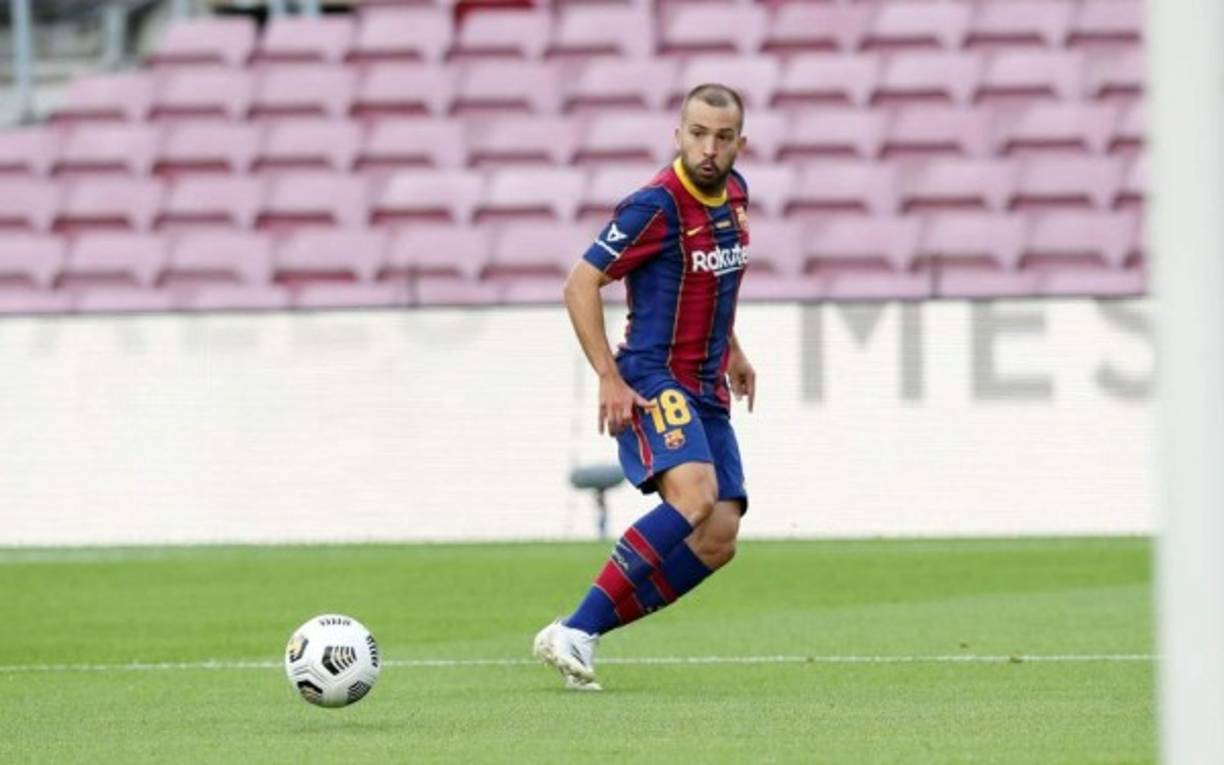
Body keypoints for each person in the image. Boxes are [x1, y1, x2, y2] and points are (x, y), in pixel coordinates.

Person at [533, 83, 757, 691]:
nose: (709, 148)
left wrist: (733, 348)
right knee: (694, 496)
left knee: (719, 537)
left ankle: (580, 631)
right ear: (677, 134)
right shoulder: (654, 206)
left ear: (741, 142)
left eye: (722, 136)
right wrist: (610, 375)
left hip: (706, 385)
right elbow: (580, 284)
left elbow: (717, 280)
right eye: (698, 134)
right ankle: (577, 628)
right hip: (654, 376)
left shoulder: (735, 195)